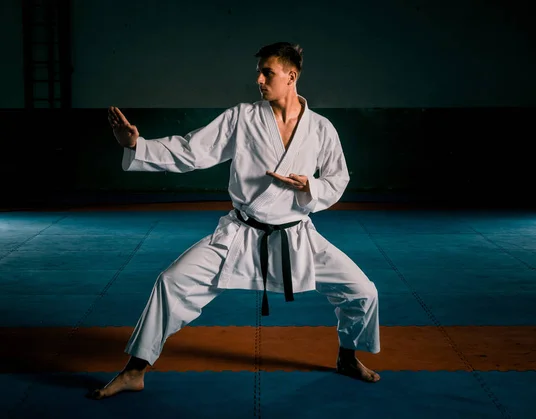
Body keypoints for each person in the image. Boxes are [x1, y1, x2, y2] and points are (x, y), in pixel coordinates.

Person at [91, 42, 380, 400]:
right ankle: (135, 370)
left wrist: (312, 186)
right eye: (258, 72)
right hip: (241, 233)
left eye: (267, 72)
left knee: (363, 292)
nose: (258, 79)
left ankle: (347, 357)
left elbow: (338, 180)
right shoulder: (242, 117)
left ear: (291, 76)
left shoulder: (321, 129)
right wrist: (137, 146)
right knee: (170, 283)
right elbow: (191, 150)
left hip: (296, 236)